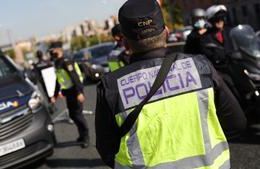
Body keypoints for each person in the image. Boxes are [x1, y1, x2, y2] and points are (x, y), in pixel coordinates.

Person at [95, 0, 246, 168]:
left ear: (125, 43)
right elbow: (236, 124)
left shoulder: (110, 87)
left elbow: (107, 150)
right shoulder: (200, 67)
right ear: (166, 33)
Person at [49, 42, 89, 148]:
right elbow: (58, 81)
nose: (51, 53)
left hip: (75, 91)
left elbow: (74, 77)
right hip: (69, 93)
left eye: (53, 51)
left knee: (78, 115)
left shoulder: (66, 62)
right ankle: (82, 135)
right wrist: (54, 95)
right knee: (73, 115)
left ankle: (86, 137)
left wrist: (79, 92)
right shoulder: (57, 63)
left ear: (59, 50)